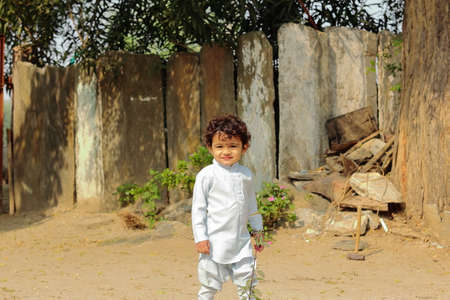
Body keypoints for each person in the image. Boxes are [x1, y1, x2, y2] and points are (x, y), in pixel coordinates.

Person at [192, 115, 264, 300]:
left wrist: (258, 230)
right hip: (214, 244)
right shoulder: (206, 176)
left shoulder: (245, 175)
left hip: (241, 242)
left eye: (233, 146)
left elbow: (251, 204)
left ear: (244, 147)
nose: (226, 152)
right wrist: (201, 238)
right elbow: (198, 210)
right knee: (210, 285)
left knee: (247, 283)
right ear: (210, 148)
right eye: (219, 146)